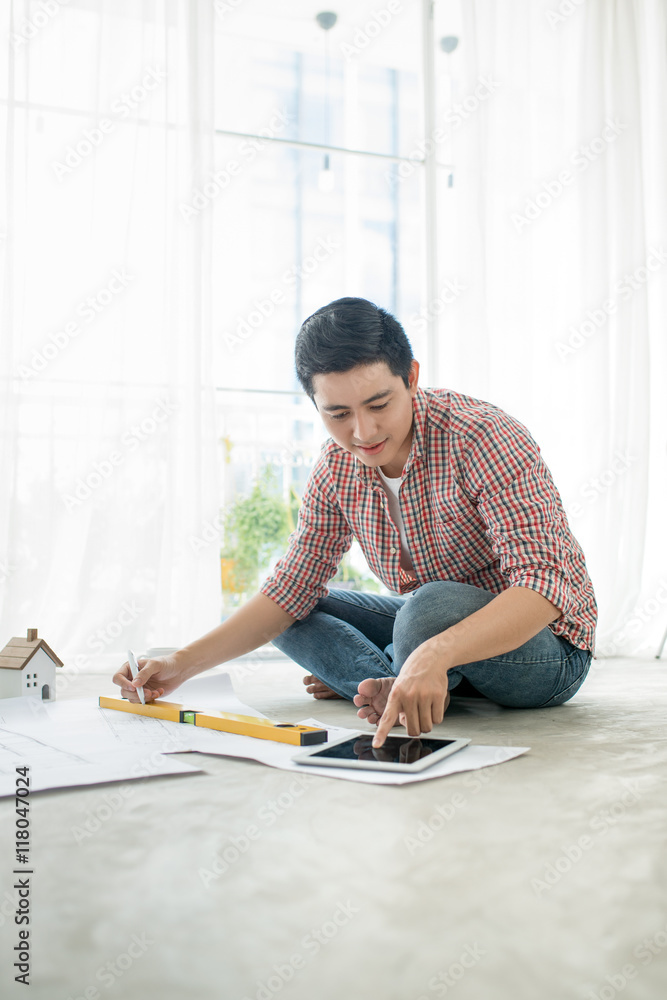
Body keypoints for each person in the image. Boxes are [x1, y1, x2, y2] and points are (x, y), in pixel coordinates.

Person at [113, 297, 597, 748]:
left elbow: (544, 587)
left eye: (379, 404)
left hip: (546, 652)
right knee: (292, 611)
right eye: (338, 414)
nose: (362, 433)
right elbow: (288, 590)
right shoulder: (336, 467)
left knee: (426, 611)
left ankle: (407, 672)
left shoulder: (484, 437)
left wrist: (431, 653)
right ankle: (401, 684)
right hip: (427, 634)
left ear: (411, 377)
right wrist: (178, 665)